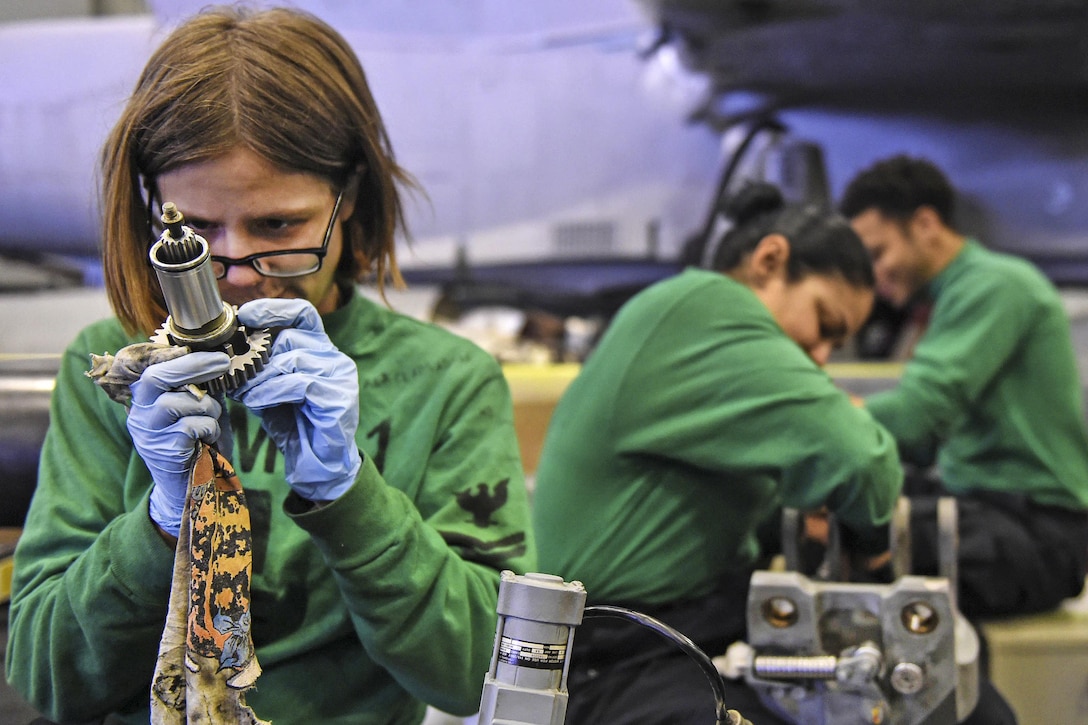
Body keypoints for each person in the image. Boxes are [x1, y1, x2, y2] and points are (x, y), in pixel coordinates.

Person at [4, 6, 534, 724]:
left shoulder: (444, 382)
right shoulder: (114, 372)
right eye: (195, 231)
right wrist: (160, 523)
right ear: (154, 209)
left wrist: (351, 497)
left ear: (348, 201)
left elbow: (481, 670)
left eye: (280, 226)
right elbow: (46, 677)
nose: (242, 274)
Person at [532, 182, 905, 724]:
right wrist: (874, 556)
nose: (821, 356)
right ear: (770, 261)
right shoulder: (704, 307)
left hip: (683, 634)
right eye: (824, 325)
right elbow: (861, 460)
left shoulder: (692, 326)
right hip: (618, 659)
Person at [839, 155, 1088, 619]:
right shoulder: (952, 295)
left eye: (878, 253)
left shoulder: (995, 286)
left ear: (926, 224)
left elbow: (917, 418)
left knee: (850, 535)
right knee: (850, 507)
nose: (873, 276)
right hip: (987, 506)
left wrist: (826, 423)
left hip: (1036, 531)